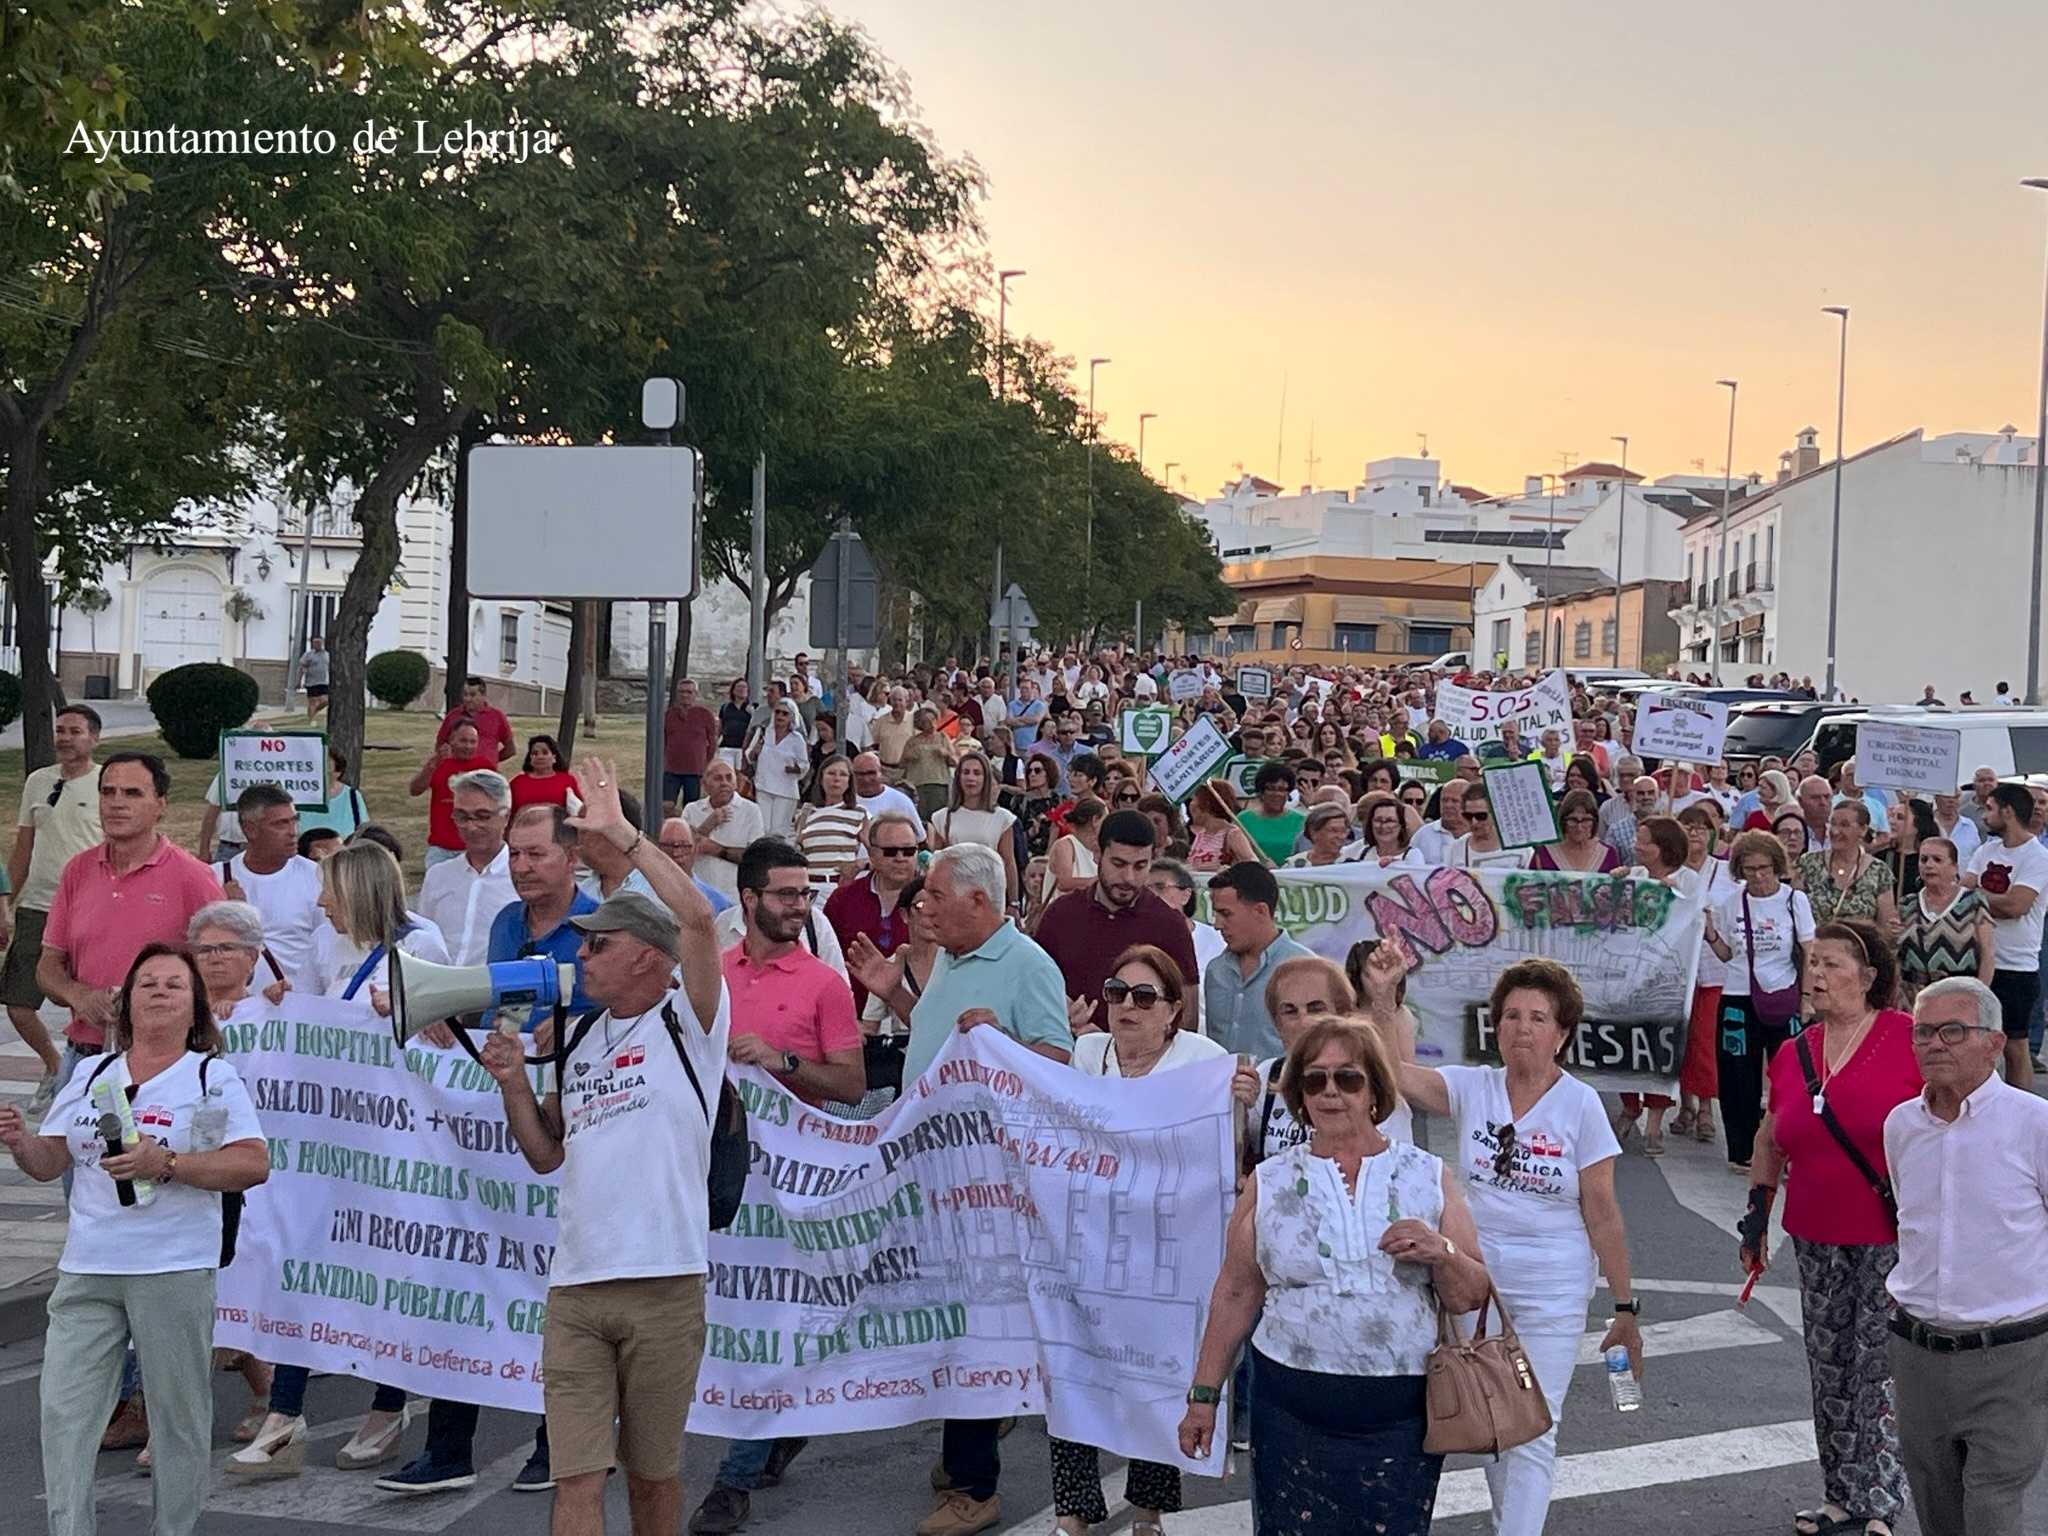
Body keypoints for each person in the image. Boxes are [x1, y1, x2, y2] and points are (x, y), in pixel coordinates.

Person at [481, 758, 727, 1536]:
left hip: (664, 1283)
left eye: (598, 946)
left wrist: (625, 836)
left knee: (653, 1480)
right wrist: (514, 1085)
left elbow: (698, 921)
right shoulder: (580, 1035)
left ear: (648, 955)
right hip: (577, 1288)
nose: (580, 957)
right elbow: (546, 1154)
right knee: (577, 1479)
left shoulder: (690, 1022)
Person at [1178, 1017, 1492, 1534]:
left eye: (1348, 1078)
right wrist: (1203, 1397)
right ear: (1299, 1095)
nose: (1330, 1091)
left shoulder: (1426, 1175)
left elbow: (1470, 1295)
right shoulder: (1269, 1180)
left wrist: (1443, 1253)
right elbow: (1235, 1292)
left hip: (1399, 1423)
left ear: (1375, 1091)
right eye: (1314, 1079)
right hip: (1290, 1414)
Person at [845, 842, 1072, 1536]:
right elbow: (944, 1036)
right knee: (949, 1318)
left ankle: (976, 1487)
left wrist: (1006, 1041)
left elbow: (1057, 1061)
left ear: (979, 899)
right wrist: (896, 996)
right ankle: (969, 1440)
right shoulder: (951, 956)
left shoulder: (1029, 965)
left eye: (936, 895)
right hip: (934, 1175)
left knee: (971, 1325)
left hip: (985, 1187)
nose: (923, 906)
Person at [3, 944, 267, 1536]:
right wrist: (21, 1142)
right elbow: (50, 1163)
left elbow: (252, 1164)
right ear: (125, 1002)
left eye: (174, 984)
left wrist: (165, 1162)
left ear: (195, 1006)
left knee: (177, 1419)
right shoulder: (92, 1074)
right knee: (65, 1413)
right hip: (88, 1268)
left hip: (171, 1267)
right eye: (147, 983)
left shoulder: (211, 1077)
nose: (159, 992)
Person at [1391, 955, 1642, 1536]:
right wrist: (1382, 1000)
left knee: (1533, 1426)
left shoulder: (1580, 1105)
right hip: (1474, 1280)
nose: (1521, 1028)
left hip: (1552, 1288)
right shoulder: (1472, 1087)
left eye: (1537, 1018)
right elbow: (1393, 1073)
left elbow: (1603, 1214)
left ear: (1562, 1034)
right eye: (1510, 1016)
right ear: (1495, 1027)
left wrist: (1624, 1309)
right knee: (1492, 1422)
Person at [689, 841, 863, 1536]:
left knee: (769, 1329)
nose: (801, 906)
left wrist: (782, 1061)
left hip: (792, 1191)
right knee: (733, 1326)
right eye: (788, 894)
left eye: (806, 894)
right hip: (718, 1179)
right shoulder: (711, 972)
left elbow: (850, 1085)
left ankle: (732, 1481)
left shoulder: (824, 983)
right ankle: (779, 1425)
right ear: (749, 899)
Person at [1742, 921, 1920, 1536]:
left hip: (1890, 1236)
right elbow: (1771, 1139)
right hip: (1814, 1233)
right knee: (1829, 1366)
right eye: (1812, 962)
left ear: (1868, 978)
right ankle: (1840, 1493)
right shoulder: (1795, 1052)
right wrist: (1756, 1219)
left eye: (1831, 965)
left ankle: (1880, 1501)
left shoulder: (1907, 1038)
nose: (1816, 975)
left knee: (1878, 1367)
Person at [1049, 945, 1233, 1536]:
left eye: (1145, 996)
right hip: (1086, 1242)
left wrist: (1240, 1100)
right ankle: (1073, 1513)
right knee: (1073, 1368)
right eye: (1116, 992)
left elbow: (1225, 1147)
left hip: (1165, 1246)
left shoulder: (1203, 1061)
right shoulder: (1086, 1053)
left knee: (1159, 1373)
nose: (1127, 1005)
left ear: (1174, 1010)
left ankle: (1148, 1511)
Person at [1884, 978, 2048, 1536]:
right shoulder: (1901, 1125)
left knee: (1992, 1505)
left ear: (1994, 1042)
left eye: (1952, 1031)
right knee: (1938, 1513)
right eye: (1923, 1032)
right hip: (1918, 1353)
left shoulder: (2034, 1124)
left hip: (2011, 1356)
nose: (1934, 1043)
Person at [39, 753, 224, 1087]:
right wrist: (79, 995)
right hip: (85, 1056)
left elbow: (223, 966)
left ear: (160, 806)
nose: (117, 803)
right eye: (107, 792)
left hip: (162, 1064)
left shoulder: (193, 877)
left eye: (132, 793)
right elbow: (48, 966)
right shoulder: (78, 870)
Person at [6, 704, 102, 1106]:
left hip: (89, 909)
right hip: (38, 906)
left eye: (75, 731)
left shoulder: (105, 785)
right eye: (61, 730)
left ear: (94, 738)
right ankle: (52, 1064)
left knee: (88, 1003)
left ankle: (88, 1085)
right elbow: (23, 846)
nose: (65, 738)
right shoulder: (38, 781)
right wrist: (7, 901)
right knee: (18, 1003)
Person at [1705, 831, 1818, 1170]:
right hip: (1738, 995)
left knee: (1791, 1075)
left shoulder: (1793, 900)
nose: (1757, 876)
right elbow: (1727, 954)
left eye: (1764, 868)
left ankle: (1788, 1146)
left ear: (1776, 866)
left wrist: (1807, 998)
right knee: (1737, 1075)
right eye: (1749, 869)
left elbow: (1810, 951)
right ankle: (1743, 1149)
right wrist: (1710, 934)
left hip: (1782, 994)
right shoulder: (1731, 903)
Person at [1035, 810, 1199, 1033]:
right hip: (1066, 1049)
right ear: (1097, 853)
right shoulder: (1060, 915)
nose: (1128, 877)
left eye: (1140, 866)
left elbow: (1186, 1019)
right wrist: (1061, 1008)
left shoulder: (1170, 926)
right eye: (1118, 864)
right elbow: (1033, 990)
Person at [1613, 815, 1693, 1155]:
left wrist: (1673, 893)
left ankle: (1655, 1121)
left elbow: (1696, 915)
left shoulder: (1688, 879)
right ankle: (1630, 1104)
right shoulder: (1634, 875)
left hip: (1667, 979)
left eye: (1643, 841)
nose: (1636, 846)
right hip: (1629, 976)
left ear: (1662, 847)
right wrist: (1613, 883)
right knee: (1625, 1042)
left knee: (1660, 1046)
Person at [1961, 782, 2048, 1092]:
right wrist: (1977, 896)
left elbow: (2016, 906)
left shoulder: (2038, 857)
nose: (1985, 815)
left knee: (2014, 1045)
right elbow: (1962, 892)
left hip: (2017, 966)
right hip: (1979, 960)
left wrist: (1977, 897)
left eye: (1990, 808)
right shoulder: (1986, 850)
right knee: (1973, 1040)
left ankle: (2021, 1106)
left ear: (2007, 812)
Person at [311, 841, 451, 1010]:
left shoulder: (419, 946)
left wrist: (403, 1006)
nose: (321, 901)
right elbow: (309, 1007)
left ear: (359, 895)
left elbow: (442, 1016)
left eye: (330, 890)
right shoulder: (326, 940)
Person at [218, 783, 324, 993]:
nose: (293, 832)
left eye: (294, 821)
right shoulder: (216, 878)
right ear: (250, 829)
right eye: (280, 824)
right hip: (241, 1007)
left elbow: (330, 946)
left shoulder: (318, 877)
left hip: (303, 1004)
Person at [1204, 861, 1313, 1060]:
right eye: (1216, 914)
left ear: (1260, 911)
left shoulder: (1307, 970)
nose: (1217, 925)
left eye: (1226, 914)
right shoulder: (1216, 971)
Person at [415, 769, 515, 966]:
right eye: (462, 816)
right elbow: (423, 939)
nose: (471, 826)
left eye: (482, 816)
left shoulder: (520, 877)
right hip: (440, 980)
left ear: (505, 816)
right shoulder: (438, 876)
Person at [1672, 804, 1728, 1143]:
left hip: (1712, 968)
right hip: (1676, 969)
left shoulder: (1725, 872)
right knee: (1680, 1039)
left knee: (1705, 1040)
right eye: (1688, 825)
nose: (1694, 832)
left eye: (1701, 826)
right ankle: (1685, 1104)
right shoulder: (1670, 871)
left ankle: (1707, 1105)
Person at [1896, 836, 1995, 1006]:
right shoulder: (1906, 904)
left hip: (1960, 997)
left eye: (1937, 859)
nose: (1929, 865)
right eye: (1924, 859)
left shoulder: (1973, 901)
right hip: (1913, 999)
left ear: (1954, 867)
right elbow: (1895, 954)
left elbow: (1988, 953)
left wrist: (1979, 997)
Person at [929, 750, 1020, 911]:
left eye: (977, 773)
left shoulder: (1002, 818)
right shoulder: (942, 817)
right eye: (966, 772)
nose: (971, 778)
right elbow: (936, 861)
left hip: (991, 894)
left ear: (985, 779)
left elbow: (1009, 862)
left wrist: (1013, 902)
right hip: (954, 894)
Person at [1798, 800, 1899, 933]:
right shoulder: (1808, 863)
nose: (1835, 831)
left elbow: (1886, 929)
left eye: (1844, 825)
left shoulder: (1879, 871)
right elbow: (1793, 912)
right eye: (1833, 823)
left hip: (1858, 945)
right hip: (1813, 944)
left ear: (1863, 830)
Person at [409, 719, 498, 869]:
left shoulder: (485, 768)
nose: (468, 746)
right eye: (463, 740)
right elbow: (415, 790)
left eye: (473, 742)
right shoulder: (439, 764)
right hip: (441, 849)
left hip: (474, 849)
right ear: (452, 740)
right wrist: (432, 765)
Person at [683, 760, 766, 904]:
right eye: (718, 778)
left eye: (729, 778)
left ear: (736, 783)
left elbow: (756, 858)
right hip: (697, 894)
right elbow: (681, 851)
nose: (724, 783)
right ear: (704, 784)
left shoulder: (750, 811)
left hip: (735, 896)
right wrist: (707, 826)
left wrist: (717, 850)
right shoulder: (692, 810)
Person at [793, 757, 867, 885]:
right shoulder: (806, 813)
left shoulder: (859, 813)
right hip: (811, 886)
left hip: (840, 886)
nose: (836, 779)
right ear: (821, 778)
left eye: (843, 774)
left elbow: (879, 852)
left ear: (849, 781)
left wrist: (860, 864)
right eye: (831, 773)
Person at [663, 678, 721, 810]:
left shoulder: (705, 714)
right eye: (681, 692)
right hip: (671, 769)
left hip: (694, 770)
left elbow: (712, 741)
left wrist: (706, 764)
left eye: (689, 692)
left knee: (691, 807)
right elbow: (663, 741)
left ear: (695, 694)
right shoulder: (669, 715)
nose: (685, 695)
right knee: (666, 805)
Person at [1533, 788, 1623, 873]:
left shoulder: (1608, 853)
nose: (1579, 828)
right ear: (1563, 821)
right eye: (1573, 820)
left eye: (1586, 820)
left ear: (1594, 821)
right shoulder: (1543, 853)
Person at [294, 746, 372, 841]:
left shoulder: (353, 797)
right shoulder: (296, 796)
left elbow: (363, 832)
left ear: (338, 772)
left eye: (324, 766)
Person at [1448, 782, 1531, 870]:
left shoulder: (1521, 847)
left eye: (1480, 816)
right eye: (1468, 816)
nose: (1474, 822)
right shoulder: (1458, 848)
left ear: (1496, 813)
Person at [435, 675, 517, 763]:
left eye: (472, 695)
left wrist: (491, 760)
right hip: (458, 768)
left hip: (485, 769)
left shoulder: (497, 716)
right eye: (465, 694)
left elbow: (510, 750)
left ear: (483, 695)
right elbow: (440, 744)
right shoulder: (453, 715)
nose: (467, 699)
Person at [1238, 762, 1304, 867]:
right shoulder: (1242, 820)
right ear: (1261, 791)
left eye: (1281, 790)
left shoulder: (1301, 821)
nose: (1276, 794)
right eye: (1271, 788)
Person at [1184, 781, 1260, 871]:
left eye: (1194, 799)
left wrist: (1231, 871)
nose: (1190, 805)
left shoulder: (1232, 834)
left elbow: (1254, 866)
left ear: (1207, 804)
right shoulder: (1201, 836)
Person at [1042, 796, 1104, 906]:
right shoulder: (1066, 845)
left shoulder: (1100, 848)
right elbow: (1064, 883)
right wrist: (1101, 881)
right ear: (1095, 821)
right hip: (1062, 912)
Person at [900, 706, 958, 823]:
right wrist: (907, 757)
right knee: (920, 817)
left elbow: (955, 762)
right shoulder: (913, 741)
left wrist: (946, 753)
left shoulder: (942, 738)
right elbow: (901, 764)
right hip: (917, 784)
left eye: (933, 719)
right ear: (920, 724)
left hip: (938, 784)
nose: (931, 724)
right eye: (926, 721)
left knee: (937, 818)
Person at [852, 751, 926, 841]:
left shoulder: (900, 801)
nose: (866, 779)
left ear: (881, 772)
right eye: (860, 774)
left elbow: (919, 838)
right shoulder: (843, 800)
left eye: (871, 773)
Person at [509, 734, 583, 813]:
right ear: (530, 758)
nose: (540, 757)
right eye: (535, 753)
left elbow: (579, 811)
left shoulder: (567, 780)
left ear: (554, 757)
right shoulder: (517, 783)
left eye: (545, 753)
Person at [1351, 791, 1414, 869]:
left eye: (1390, 821)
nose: (1383, 826)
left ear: (1401, 825)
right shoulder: (1361, 853)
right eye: (1378, 820)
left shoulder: (1412, 855)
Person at [717, 680, 753, 769]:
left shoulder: (753, 707)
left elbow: (757, 724)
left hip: (743, 748)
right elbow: (720, 727)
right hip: (727, 746)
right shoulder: (725, 707)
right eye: (739, 687)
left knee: (740, 773)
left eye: (744, 687)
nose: (742, 689)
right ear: (733, 690)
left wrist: (752, 713)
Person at [296, 633, 330, 721]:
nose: (317, 644)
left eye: (319, 642)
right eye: (315, 643)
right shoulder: (308, 655)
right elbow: (302, 667)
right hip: (311, 682)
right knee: (313, 702)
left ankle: (315, 711)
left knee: (326, 700)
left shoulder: (327, 654)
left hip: (323, 681)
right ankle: (311, 720)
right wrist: (299, 681)